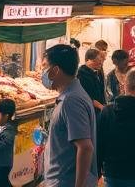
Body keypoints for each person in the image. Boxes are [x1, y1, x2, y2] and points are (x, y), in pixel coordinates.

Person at [41, 44, 98, 187]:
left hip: (65, 182)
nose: (41, 72)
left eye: (44, 67)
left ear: (55, 70)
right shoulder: (72, 95)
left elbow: (85, 147)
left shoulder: (71, 101)